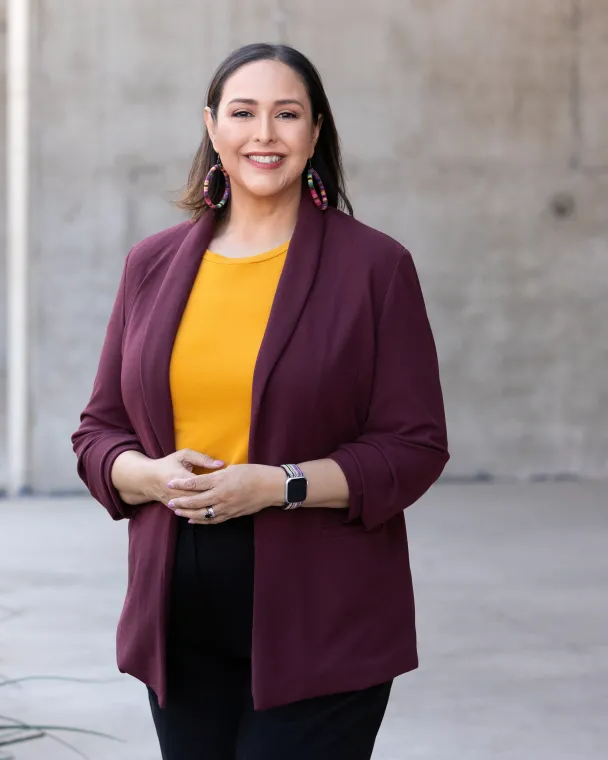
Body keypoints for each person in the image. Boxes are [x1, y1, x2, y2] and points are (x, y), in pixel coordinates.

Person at [71, 42, 449, 760]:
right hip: (177, 625)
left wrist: (278, 486)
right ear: (212, 127)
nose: (264, 134)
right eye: (243, 113)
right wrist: (147, 475)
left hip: (322, 621)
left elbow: (414, 447)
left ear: (315, 134)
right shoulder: (152, 265)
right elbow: (98, 432)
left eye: (287, 114)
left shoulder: (375, 267)